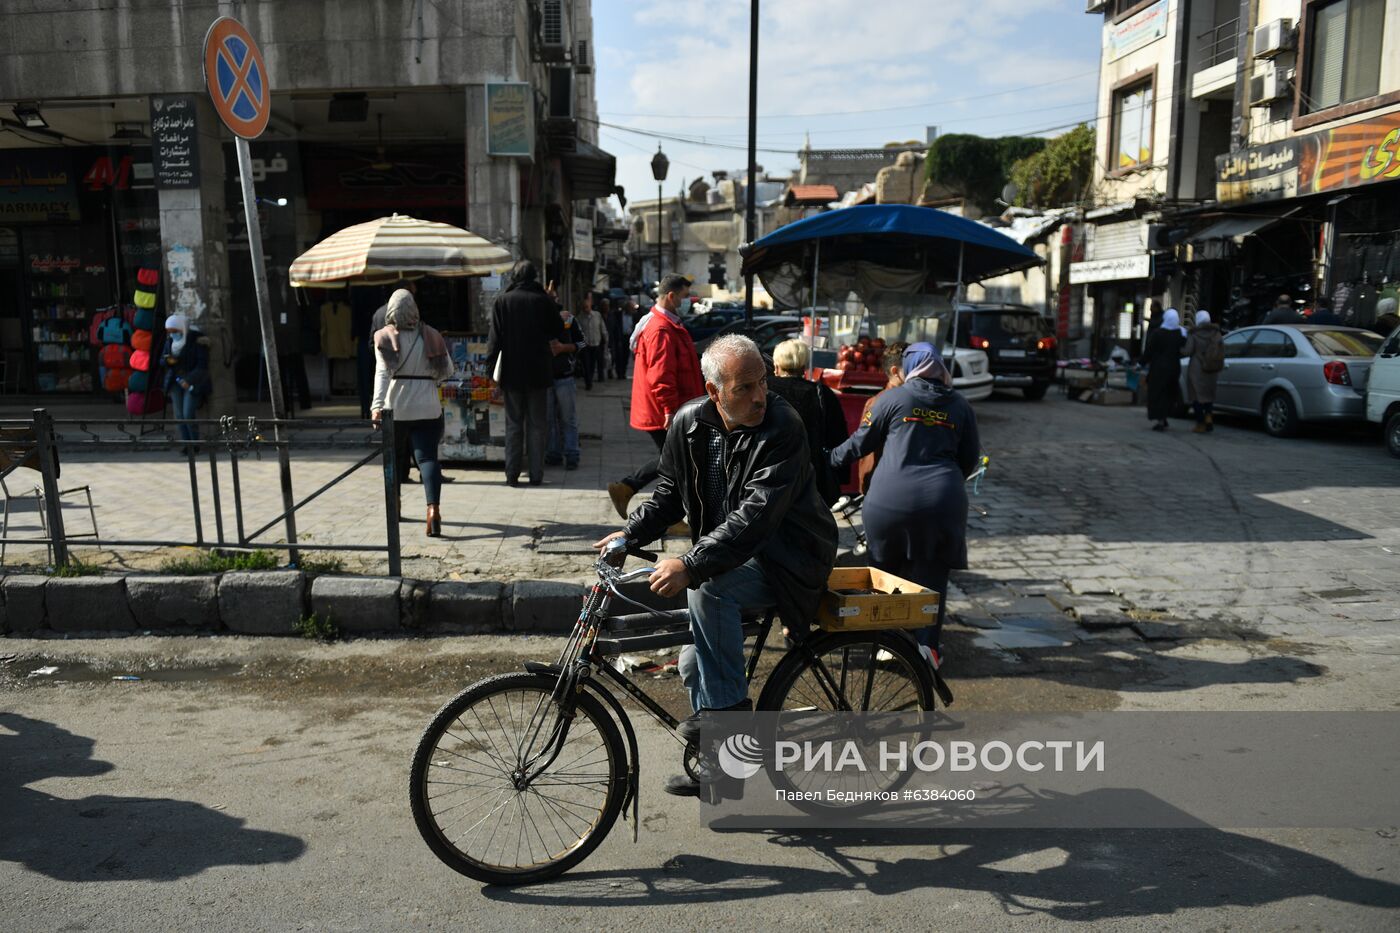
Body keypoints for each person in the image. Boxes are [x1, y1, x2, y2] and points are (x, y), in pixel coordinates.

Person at [594, 334, 837, 796]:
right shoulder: (688, 424)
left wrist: (690, 563)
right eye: (744, 388)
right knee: (691, 665)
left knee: (708, 589)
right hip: (731, 556)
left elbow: (756, 515)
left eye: (762, 382)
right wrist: (630, 535)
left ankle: (729, 730)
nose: (760, 395)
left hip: (789, 557)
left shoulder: (783, 425)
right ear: (714, 391)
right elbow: (669, 494)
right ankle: (722, 770)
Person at [829, 343, 979, 667]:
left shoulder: (892, 399)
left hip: (888, 501)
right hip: (942, 503)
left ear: (909, 368)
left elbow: (859, 444)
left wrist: (826, 459)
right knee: (932, 578)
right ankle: (927, 649)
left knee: (884, 573)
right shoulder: (960, 405)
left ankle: (887, 641)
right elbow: (969, 459)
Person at [607, 274, 705, 519]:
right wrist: (669, 410)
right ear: (671, 296)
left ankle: (636, 494)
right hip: (664, 410)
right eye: (684, 297)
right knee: (676, 461)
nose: (687, 302)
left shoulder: (665, 324)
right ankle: (629, 489)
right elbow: (661, 375)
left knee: (676, 463)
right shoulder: (661, 329)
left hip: (667, 407)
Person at [371, 289, 453, 536]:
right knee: (427, 459)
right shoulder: (432, 335)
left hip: (396, 408)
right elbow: (448, 371)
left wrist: (376, 406)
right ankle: (433, 511)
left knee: (395, 459)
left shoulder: (384, 337)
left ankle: (395, 507)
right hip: (428, 406)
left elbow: (382, 374)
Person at [486, 261, 564, 487]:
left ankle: (512, 475)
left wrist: (490, 372)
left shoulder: (503, 301)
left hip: (512, 373)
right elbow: (558, 329)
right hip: (539, 372)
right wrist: (552, 302)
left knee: (514, 424)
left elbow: (494, 340)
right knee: (537, 425)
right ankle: (536, 474)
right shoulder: (543, 301)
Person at [767, 338, 848, 505]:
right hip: (811, 481)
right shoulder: (822, 394)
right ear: (805, 365)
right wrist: (840, 477)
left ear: (776, 365)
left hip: (769, 477)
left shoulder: (764, 391)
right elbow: (838, 436)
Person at [856, 341, 908, 494]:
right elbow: (864, 446)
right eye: (913, 367)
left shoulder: (914, 400)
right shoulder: (878, 403)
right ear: (895, 371)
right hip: (883, 486)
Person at [162, 313, 211, 450]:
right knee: (179, 416)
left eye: (175, 331)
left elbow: (202, 366)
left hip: (192, 382)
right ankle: (186, 444)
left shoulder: (197, 342)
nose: (172, 335)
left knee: (188, 414)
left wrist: (188, 380)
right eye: (169, 332)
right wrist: (168, 361)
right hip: (175, 382)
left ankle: (195, 444)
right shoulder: (170, 342)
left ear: (182, 328)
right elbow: (162, 360)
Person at [545, 303, 585, 470]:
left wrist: (564, 348)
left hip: (564, 376)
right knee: (549, 419)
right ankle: (553, 453)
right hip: (545, 378)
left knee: (568, 418)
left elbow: (582, 343)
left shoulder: (568, 320)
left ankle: (571, 454)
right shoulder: (539, 320)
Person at [1143, 308, 1187, 431]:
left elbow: (1149, 350)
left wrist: (1141, 362)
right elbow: (1184, 349)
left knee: (1158, 394)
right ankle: (1165, 417)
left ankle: (1161, 420)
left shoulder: (1158, 333)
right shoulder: (1181, 333)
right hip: (1174, 368)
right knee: (1169, 393)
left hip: (1158, 369)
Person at [1183, 310, 1224, 434]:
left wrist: (1180, 348)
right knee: (1208, 395)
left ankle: (1200, 423)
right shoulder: (1216, 333)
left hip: (1197, 369)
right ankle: (1208, 417)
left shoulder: (1194, 333)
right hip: (1211, 368)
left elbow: (1188, 350)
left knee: (1197, 396)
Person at [575, 292, 608, 389]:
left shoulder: (597, 315)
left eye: (587, 307)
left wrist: (605, 339)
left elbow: (603, 328)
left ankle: (590, 378)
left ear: (590, 306)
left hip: (596, 344)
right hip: (585, 345)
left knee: (593, 364)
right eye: (584, 307)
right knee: (586, 364)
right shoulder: (579, 318)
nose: (586, 309)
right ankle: (588, 382)